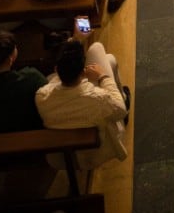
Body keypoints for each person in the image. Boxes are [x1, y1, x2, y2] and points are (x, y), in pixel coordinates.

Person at [37, 35, 130, 164]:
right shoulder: (98, 99)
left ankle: (122, 93)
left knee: (110, 60)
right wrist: (102, 77)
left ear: (57, 70)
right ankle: (124, 96)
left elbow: (53, 84)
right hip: (98, 150)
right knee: (98, 49)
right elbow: (121, 110)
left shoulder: (42, 96)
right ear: (83, 72)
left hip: (62, 157)